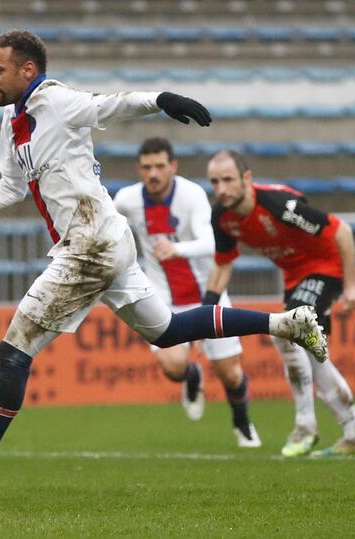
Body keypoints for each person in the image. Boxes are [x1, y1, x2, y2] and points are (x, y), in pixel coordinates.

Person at [0, 29, 328, 499]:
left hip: (90, 244)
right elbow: (10, 187)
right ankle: (286, 325)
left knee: (14, 351)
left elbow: (113, 104)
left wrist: (163, 99)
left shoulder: (56, 102)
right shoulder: (12, 123)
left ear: (28, 70)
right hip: (105, 240)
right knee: (167, 331)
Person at [204, 149, 355, 458]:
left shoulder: (279, 205)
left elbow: (342, 231)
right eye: (214, 182)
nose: (221, 189)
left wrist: (352, 286)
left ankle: (306, 427)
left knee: (284, 334)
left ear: (247, 178)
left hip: (326, 268)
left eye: (228, 180)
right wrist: (208, 305)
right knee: (313, 354)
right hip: (295, 278)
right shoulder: (222, 216)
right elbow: (223, 262)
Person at [113, 137, 260, 448]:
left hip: (209, 291)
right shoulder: (126, 200)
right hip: (162, 296)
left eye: (160, 166)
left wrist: (176, 248)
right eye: (147, 167)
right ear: (138, 169)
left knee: (231, 375)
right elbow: (107, 229)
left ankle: (242, 422)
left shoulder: (191, 194)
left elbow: (212, 242)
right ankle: (192, 376)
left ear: (173, 167)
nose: (153, 173)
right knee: (172, 366)